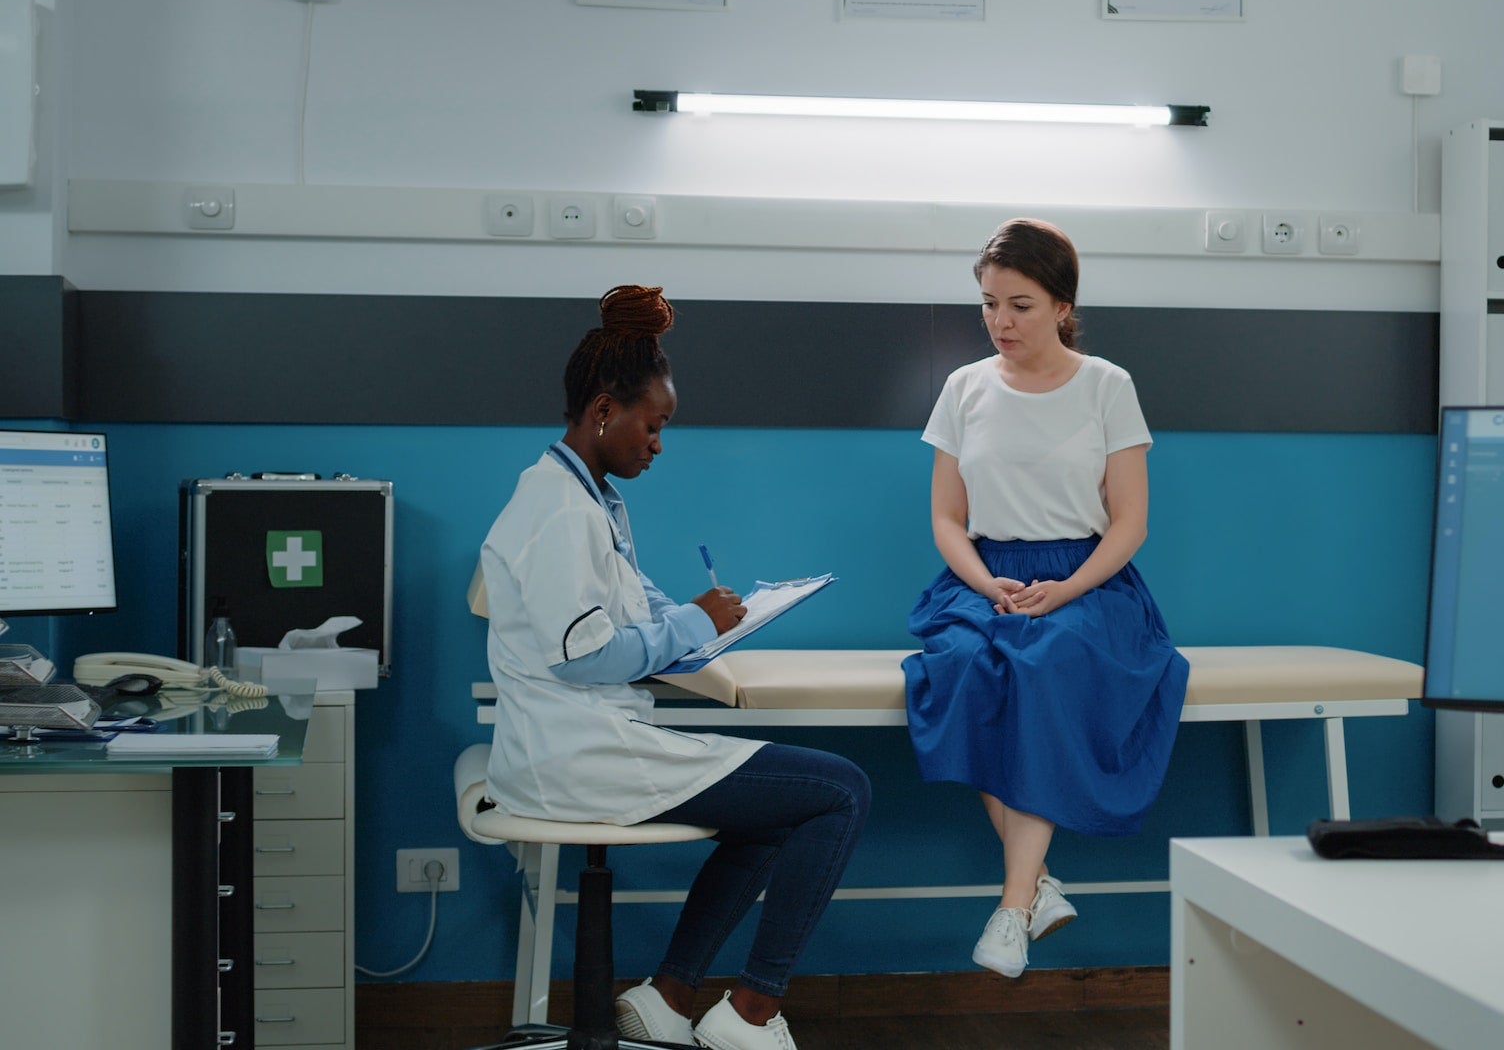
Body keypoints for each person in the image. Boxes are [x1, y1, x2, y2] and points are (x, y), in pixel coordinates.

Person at [480, 285, 870, 1050]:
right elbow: (589, 655)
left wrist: (712, 621)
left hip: (590, 740)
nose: (658, 443)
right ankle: (751, 1013)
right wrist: (694, 621)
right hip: (575, 754)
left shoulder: (589, 501)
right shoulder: (557, 510)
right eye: (652, 425)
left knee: (784, 809)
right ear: (603, 412)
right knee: (839, 792)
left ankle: (669, 997)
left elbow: (633, 614)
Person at [902, 219, 1189, 979]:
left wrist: (1066, 588)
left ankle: (1008, 906)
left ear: (1063, 305)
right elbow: (945, 518)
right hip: (985, 576)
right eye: (989, 303)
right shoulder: (964, 387)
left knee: (1045, 661)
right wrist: (984, 582)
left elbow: (1130, 521)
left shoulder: (1107, 386)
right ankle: (1036, 887)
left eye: (1020, 305)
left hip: (1089, 581)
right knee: (964, 664)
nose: (1001, 321)